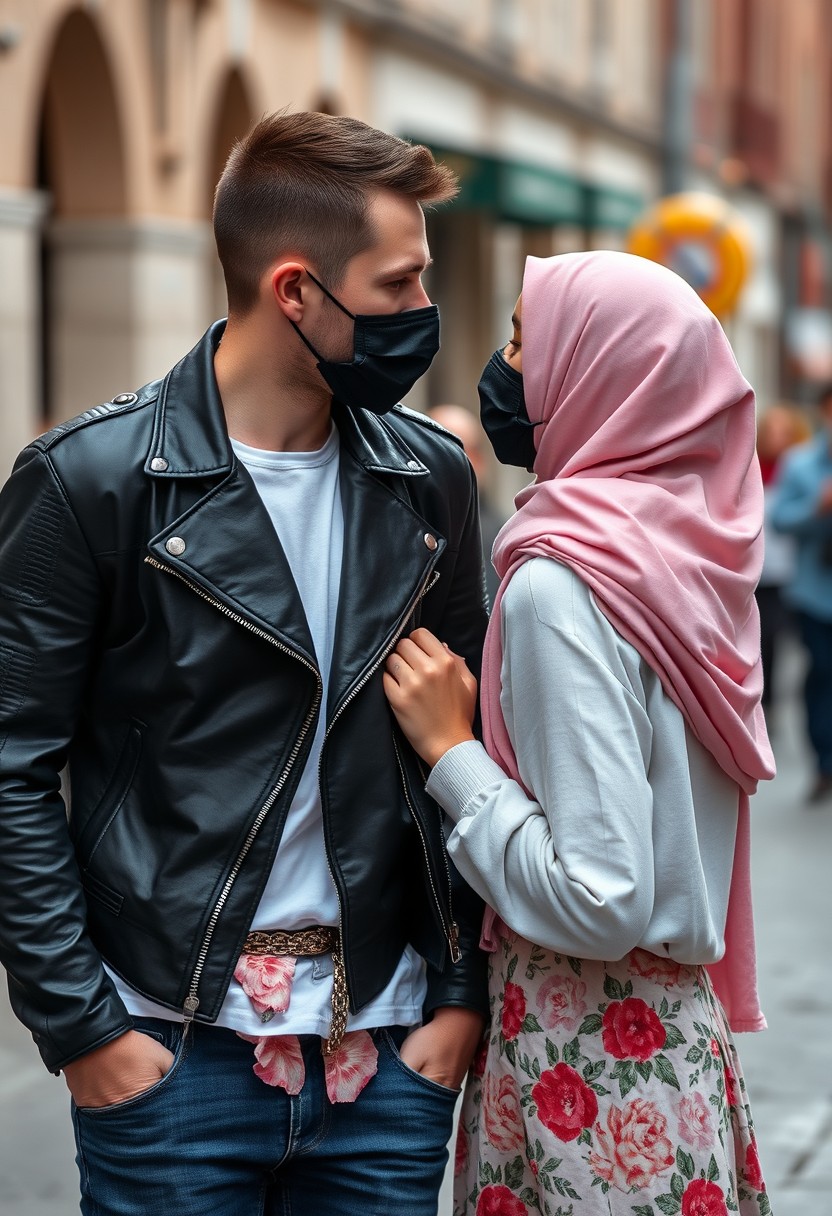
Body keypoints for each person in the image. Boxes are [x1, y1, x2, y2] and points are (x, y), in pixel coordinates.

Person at [0, 111, 489, 1216]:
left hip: (384, 1051)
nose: (423, 314)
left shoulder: (430, 482)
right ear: (294, 291)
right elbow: (11, 767)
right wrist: (86, 1028)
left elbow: (470, 749)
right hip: (171, 1046)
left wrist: (456, 995)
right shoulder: (91, 482)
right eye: (399, 283)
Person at [384, 251, 775, 1215]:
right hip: (679, 1047)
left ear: (603, 377)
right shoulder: (688, 563)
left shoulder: (567, 582)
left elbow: (601, 896)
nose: (507, 366)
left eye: (526, 341)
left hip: (587, 1060)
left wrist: (452, 754)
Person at [770, 382, 832, 804]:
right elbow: (778, 520)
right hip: (815, 592)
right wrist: (817, 510)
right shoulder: (801, 464)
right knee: (822, 672)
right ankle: (824, 760)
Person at [754, 404, 807, 722]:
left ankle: (770, 702)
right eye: (771, 431)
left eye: (783, 432)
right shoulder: (749, 465)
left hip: (785, 572)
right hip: (752, 569)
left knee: (773, 639)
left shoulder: (800, 471)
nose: (776, 438)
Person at [428, 403, 506, 607]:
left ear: (479, 461)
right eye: (432, 448)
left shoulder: (502, 539)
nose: (443, 462)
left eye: (457, 451)